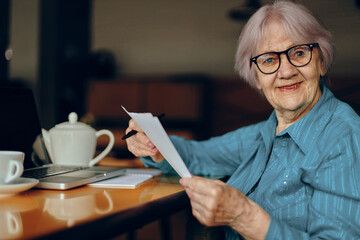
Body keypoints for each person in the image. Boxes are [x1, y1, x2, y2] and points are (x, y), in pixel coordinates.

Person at [125, 1, 360, 239]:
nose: (286, 71)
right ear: (256, 76)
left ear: (321, 61)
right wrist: (154, 144)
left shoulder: (343, 137)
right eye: (269, 60)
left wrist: (243, 216)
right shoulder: (266, 133)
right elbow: (198, 155)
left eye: (299, 53)